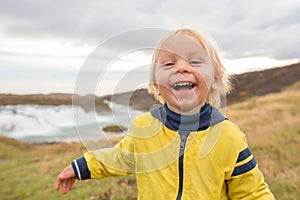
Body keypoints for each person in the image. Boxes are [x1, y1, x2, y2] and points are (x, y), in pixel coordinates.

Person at [56, 28, 275, 199]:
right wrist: (81, 167)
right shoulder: (144, 128)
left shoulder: (229, 136)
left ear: (215, 79)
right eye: (169, 63)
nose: (181, 68)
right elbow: (120, 158)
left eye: (195, 61)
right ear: (156, 86)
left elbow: (251, 192)